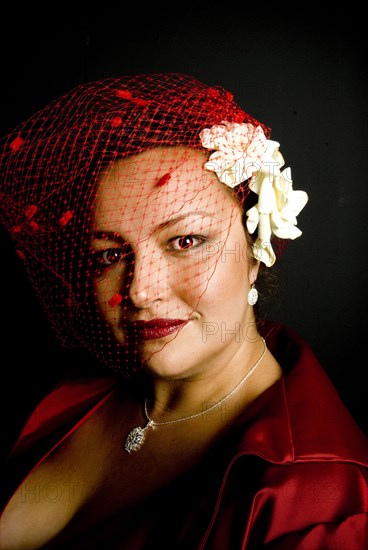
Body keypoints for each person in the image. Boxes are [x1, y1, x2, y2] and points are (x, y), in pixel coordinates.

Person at [0, 73, 367, 549]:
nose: (139, 292)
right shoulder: (80, 386)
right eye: (109, 255)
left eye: (185, 241)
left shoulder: (319, 504)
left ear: (255, 250)